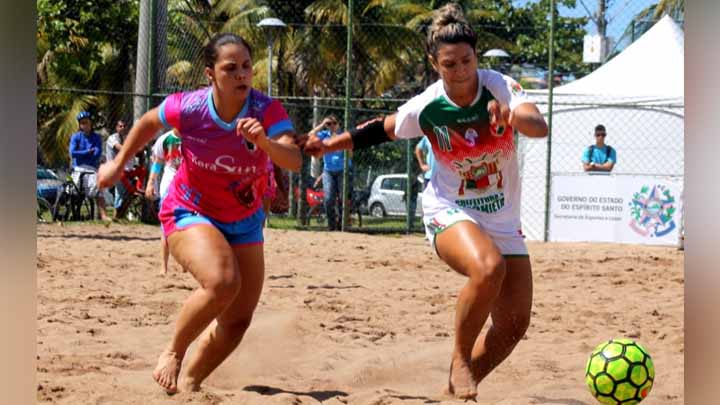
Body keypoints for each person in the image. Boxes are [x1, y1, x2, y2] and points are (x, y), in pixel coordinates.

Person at [302, 3, 548, 400]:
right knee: (488, 268)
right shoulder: (429, 104)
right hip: (450, 209)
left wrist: (511, 117)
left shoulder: (499, 86)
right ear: (435, 64)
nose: (461, 71)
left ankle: (453, 390)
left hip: (502, 219)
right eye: (450, 64)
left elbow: (539, 127)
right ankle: (460, 359)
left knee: (514, 324)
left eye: (467, 61)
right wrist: (328, 145)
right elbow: (379, 130)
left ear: (476, 56)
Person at [97, 32, 302, 394]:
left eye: (246, 67)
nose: (241, 74)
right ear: (210, 74)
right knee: (223, 282)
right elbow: (149, 122)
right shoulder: (190, 107)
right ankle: (174, 351)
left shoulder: (266, 110)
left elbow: (294, 159)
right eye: (230, 68)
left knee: (237, 321)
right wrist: (118, 163)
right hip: (190, 208)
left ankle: (190, 385)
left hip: (244, 219)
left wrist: (265, 143)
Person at [145, 129, 182, 275]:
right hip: (169, 185)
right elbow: (157, 163)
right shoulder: (165, 139)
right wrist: (150, 183)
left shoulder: (195, 136)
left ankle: (183, 261)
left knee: (186, 226)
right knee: (166, 226)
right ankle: (164, 266)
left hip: (189, 187)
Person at [309, 115, 352, 231]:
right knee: (328, 199)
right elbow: (310, 135)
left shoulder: (343, 135)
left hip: (343, 170)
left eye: (334, 123)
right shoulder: (324, 135)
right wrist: (322, 125)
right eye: (329, 124)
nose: (332, 126)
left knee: (343, 198)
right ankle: (331, 225)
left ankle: (342, 224)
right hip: (328, 171)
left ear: (338, 124)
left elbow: (350, 154)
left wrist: (346, 146)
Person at [69, 111, 110, 221]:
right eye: (82, 123)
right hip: (78, 168)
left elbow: (96, 153)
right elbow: (72, 153)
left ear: (91, 123)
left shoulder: (96, 138)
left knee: (97, 190)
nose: (84, 125)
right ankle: (72, 213)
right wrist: (87, 152)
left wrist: (81, 153)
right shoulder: (76, 137)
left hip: (91, 168)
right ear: (79, 125)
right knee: (72, 190)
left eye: (86, 122)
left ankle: (104, 215)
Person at [105, 119, 135, 219]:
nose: (122, 128)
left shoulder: (128, 138)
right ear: (116, 128)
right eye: (120, 126)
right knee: (120, 193)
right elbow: (121, 149)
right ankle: (116, 216)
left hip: (127, 170)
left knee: (129, 194)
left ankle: (120, 216)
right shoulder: (112, 138)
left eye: (124, 126)